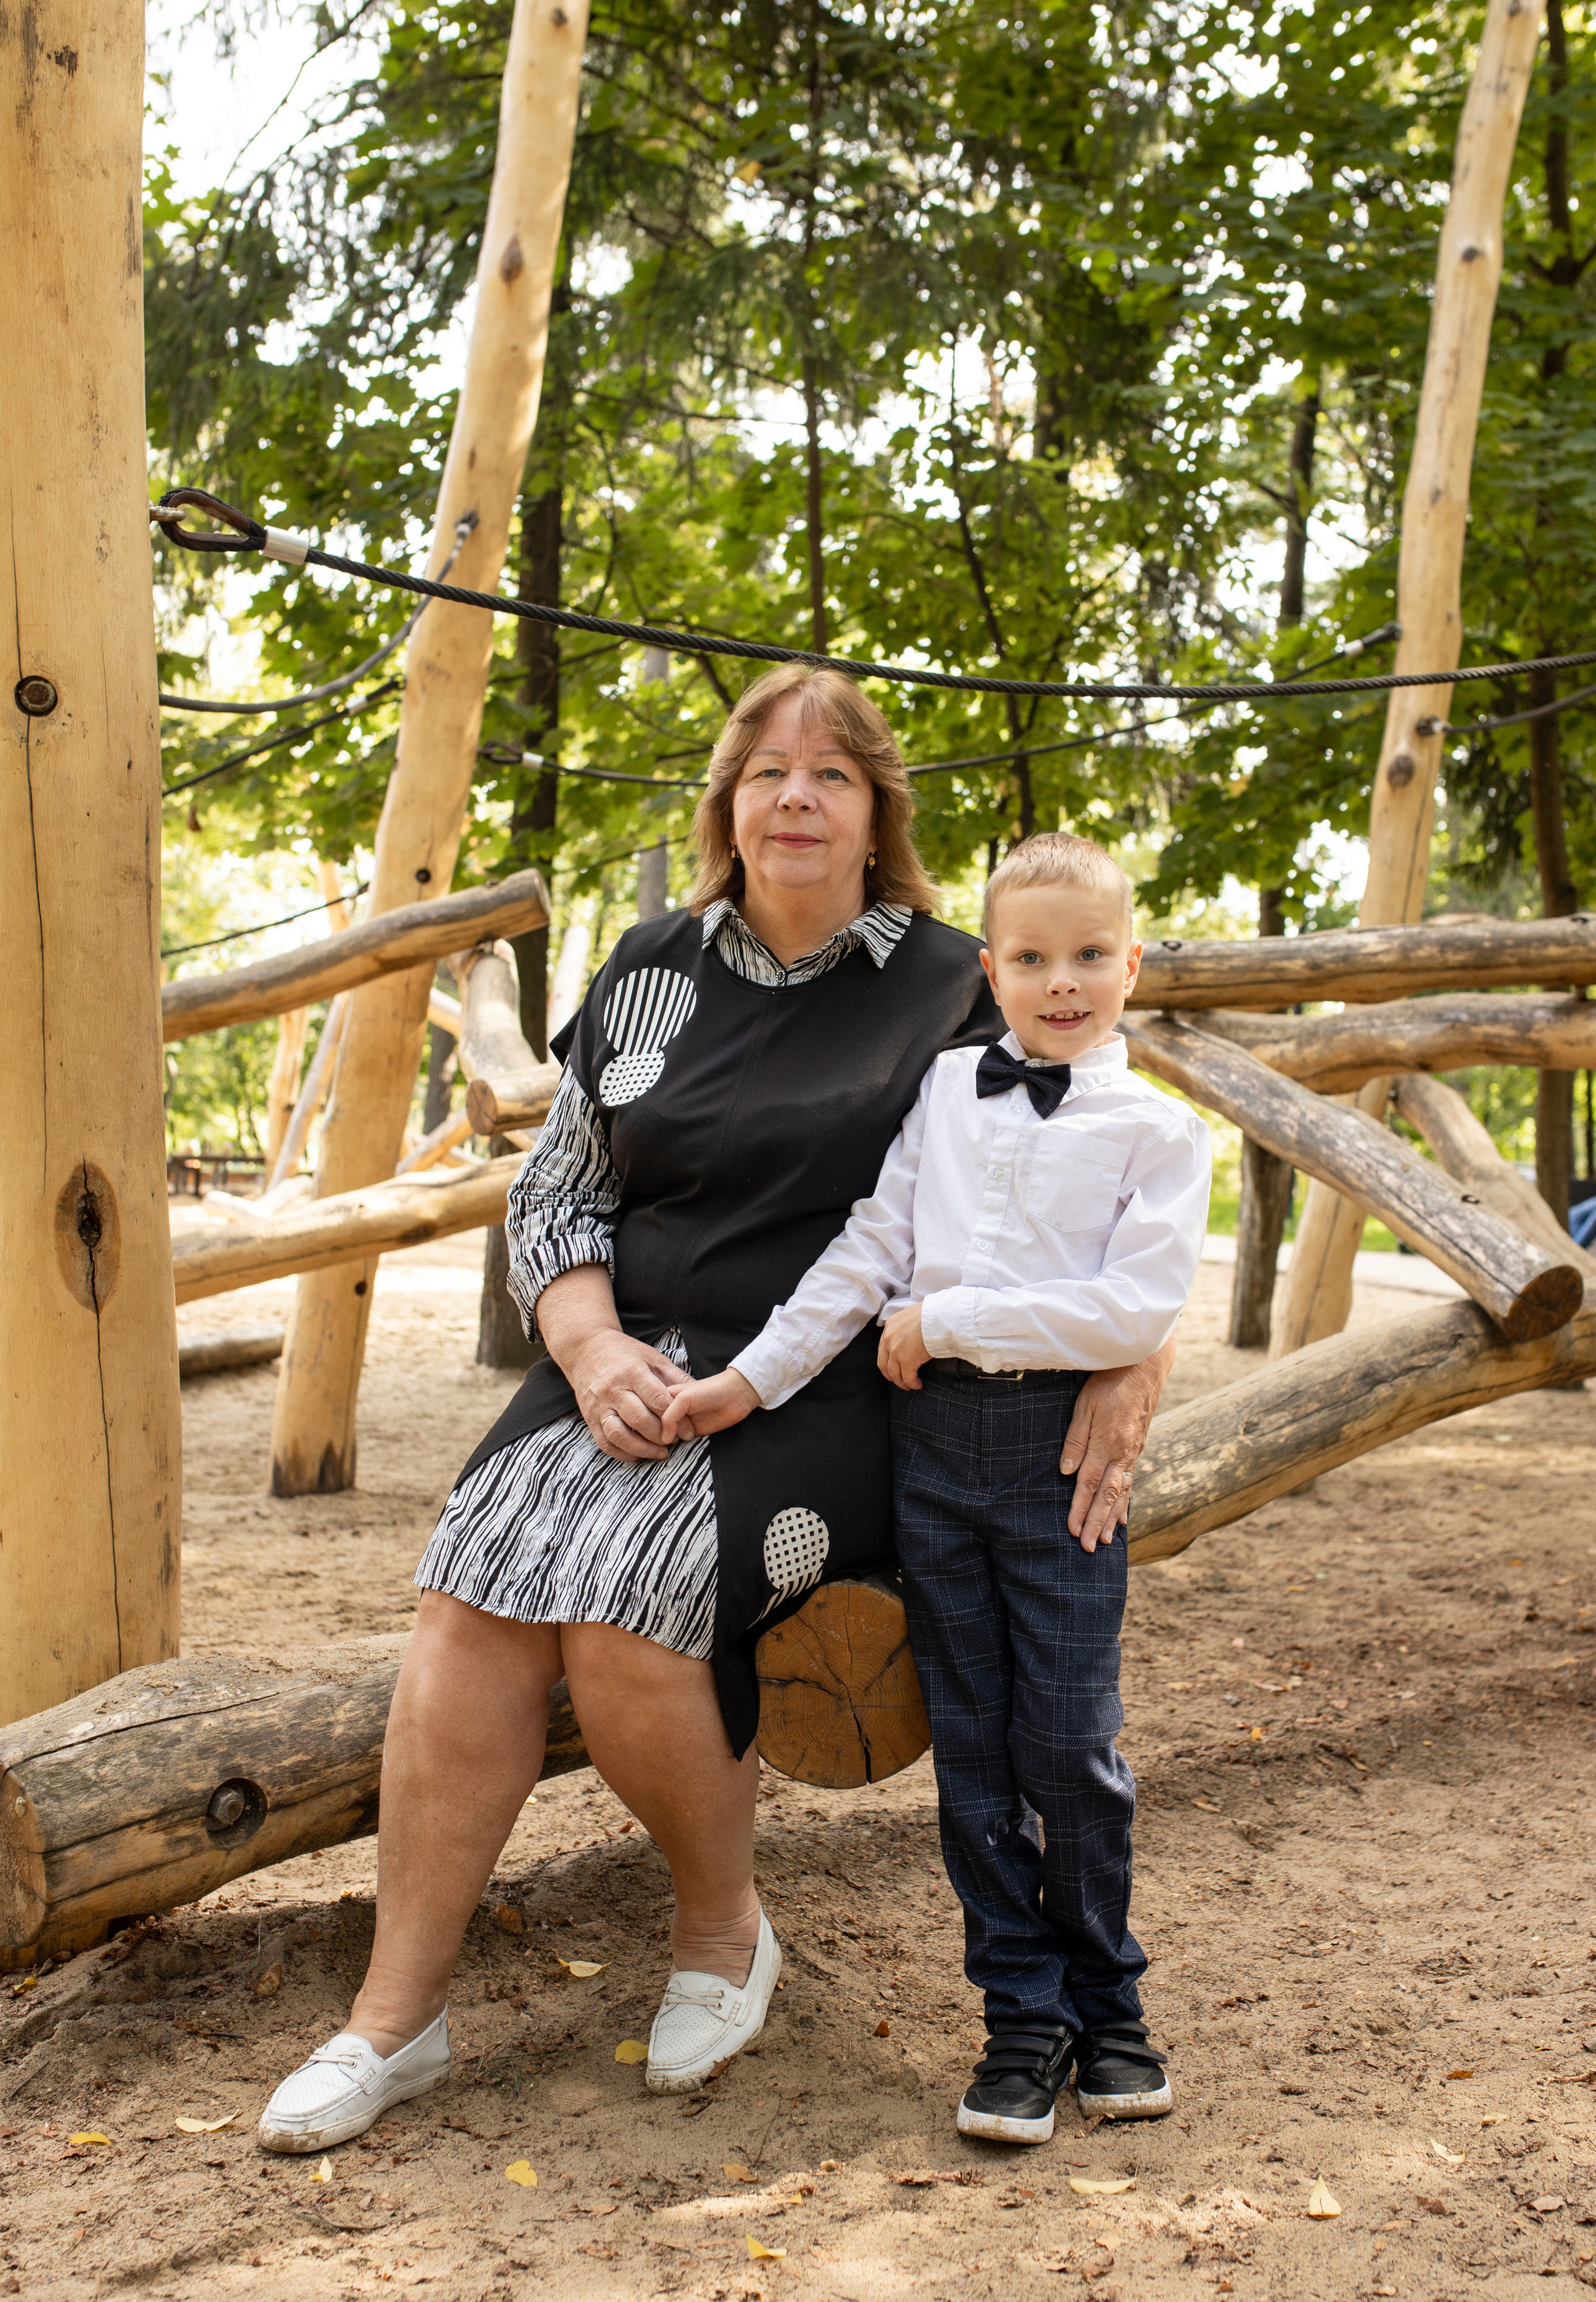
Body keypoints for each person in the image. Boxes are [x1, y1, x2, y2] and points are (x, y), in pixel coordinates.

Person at [256, 677, 1177, 2155]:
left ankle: (719, 1933)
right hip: (619, 1352)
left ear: (879, 813)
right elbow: (557, 1185)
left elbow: (1107, 1168)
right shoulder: (648, 967)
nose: (794, 795)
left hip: (842, 1381)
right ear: (727, 804)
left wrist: (1139, 1358)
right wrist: (587, 1340)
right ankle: (391, 2021)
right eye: (764, 771)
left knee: (629, 1602)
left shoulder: (959, 981)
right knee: (468, 1594)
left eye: (830, 774)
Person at [663, 830, 1210, 2145]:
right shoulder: (949, 1090)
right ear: (991, 967)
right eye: (1029, 957)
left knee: (1067, 1749)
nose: (1060, 981)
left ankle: (1109, 2005)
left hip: (1058, 1466)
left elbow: (1131, 1306)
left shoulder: (1158, 1129)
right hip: (933, 1462)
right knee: (969, 1752)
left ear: (1130, 964)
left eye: (1088, 955)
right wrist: (751, 1379)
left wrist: (957, 1319)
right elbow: (869, 1251)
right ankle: (1018, 2021)